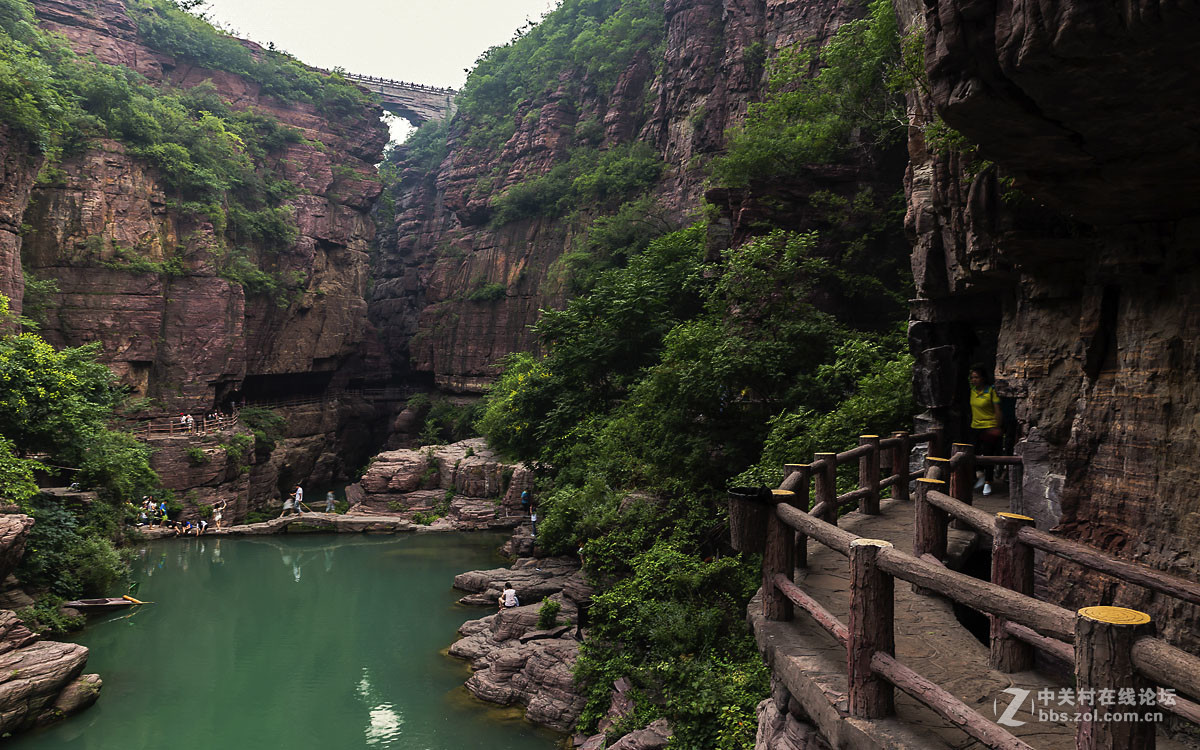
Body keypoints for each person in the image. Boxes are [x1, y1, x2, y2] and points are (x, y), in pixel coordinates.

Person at [968, 364, 1003, 496]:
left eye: (976, 377)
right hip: (975, 427)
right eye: (972, 377)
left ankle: (988, 481)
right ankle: (980, 475)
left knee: (988, 454)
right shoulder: (971, 392)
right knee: (972, 453)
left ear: (983, 378)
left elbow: (998, 410)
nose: (973, 380)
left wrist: (997, 427)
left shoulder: (991, 391)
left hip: (989, 427)